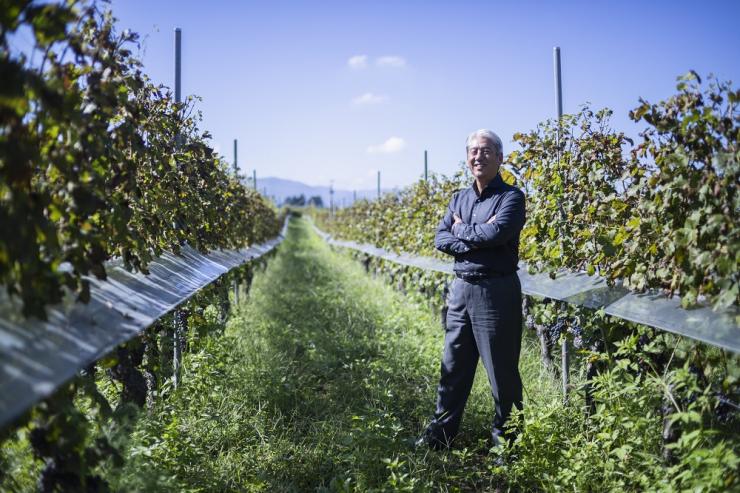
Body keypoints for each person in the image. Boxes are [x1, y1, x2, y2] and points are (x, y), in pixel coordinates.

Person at [417, 129, 526, 450]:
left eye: (487, 151)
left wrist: (461, 229)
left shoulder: (511, 197)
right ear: (467, 158)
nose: (479, 156)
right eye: (474, 151)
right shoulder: (458, 198)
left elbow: (498, 235)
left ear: (500, 157)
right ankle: (440, 437)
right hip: (461, 290)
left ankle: (507, 445)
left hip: (496, 292)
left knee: (501, 374)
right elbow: (441, 239)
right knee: (453, 367)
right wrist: (478, 233)